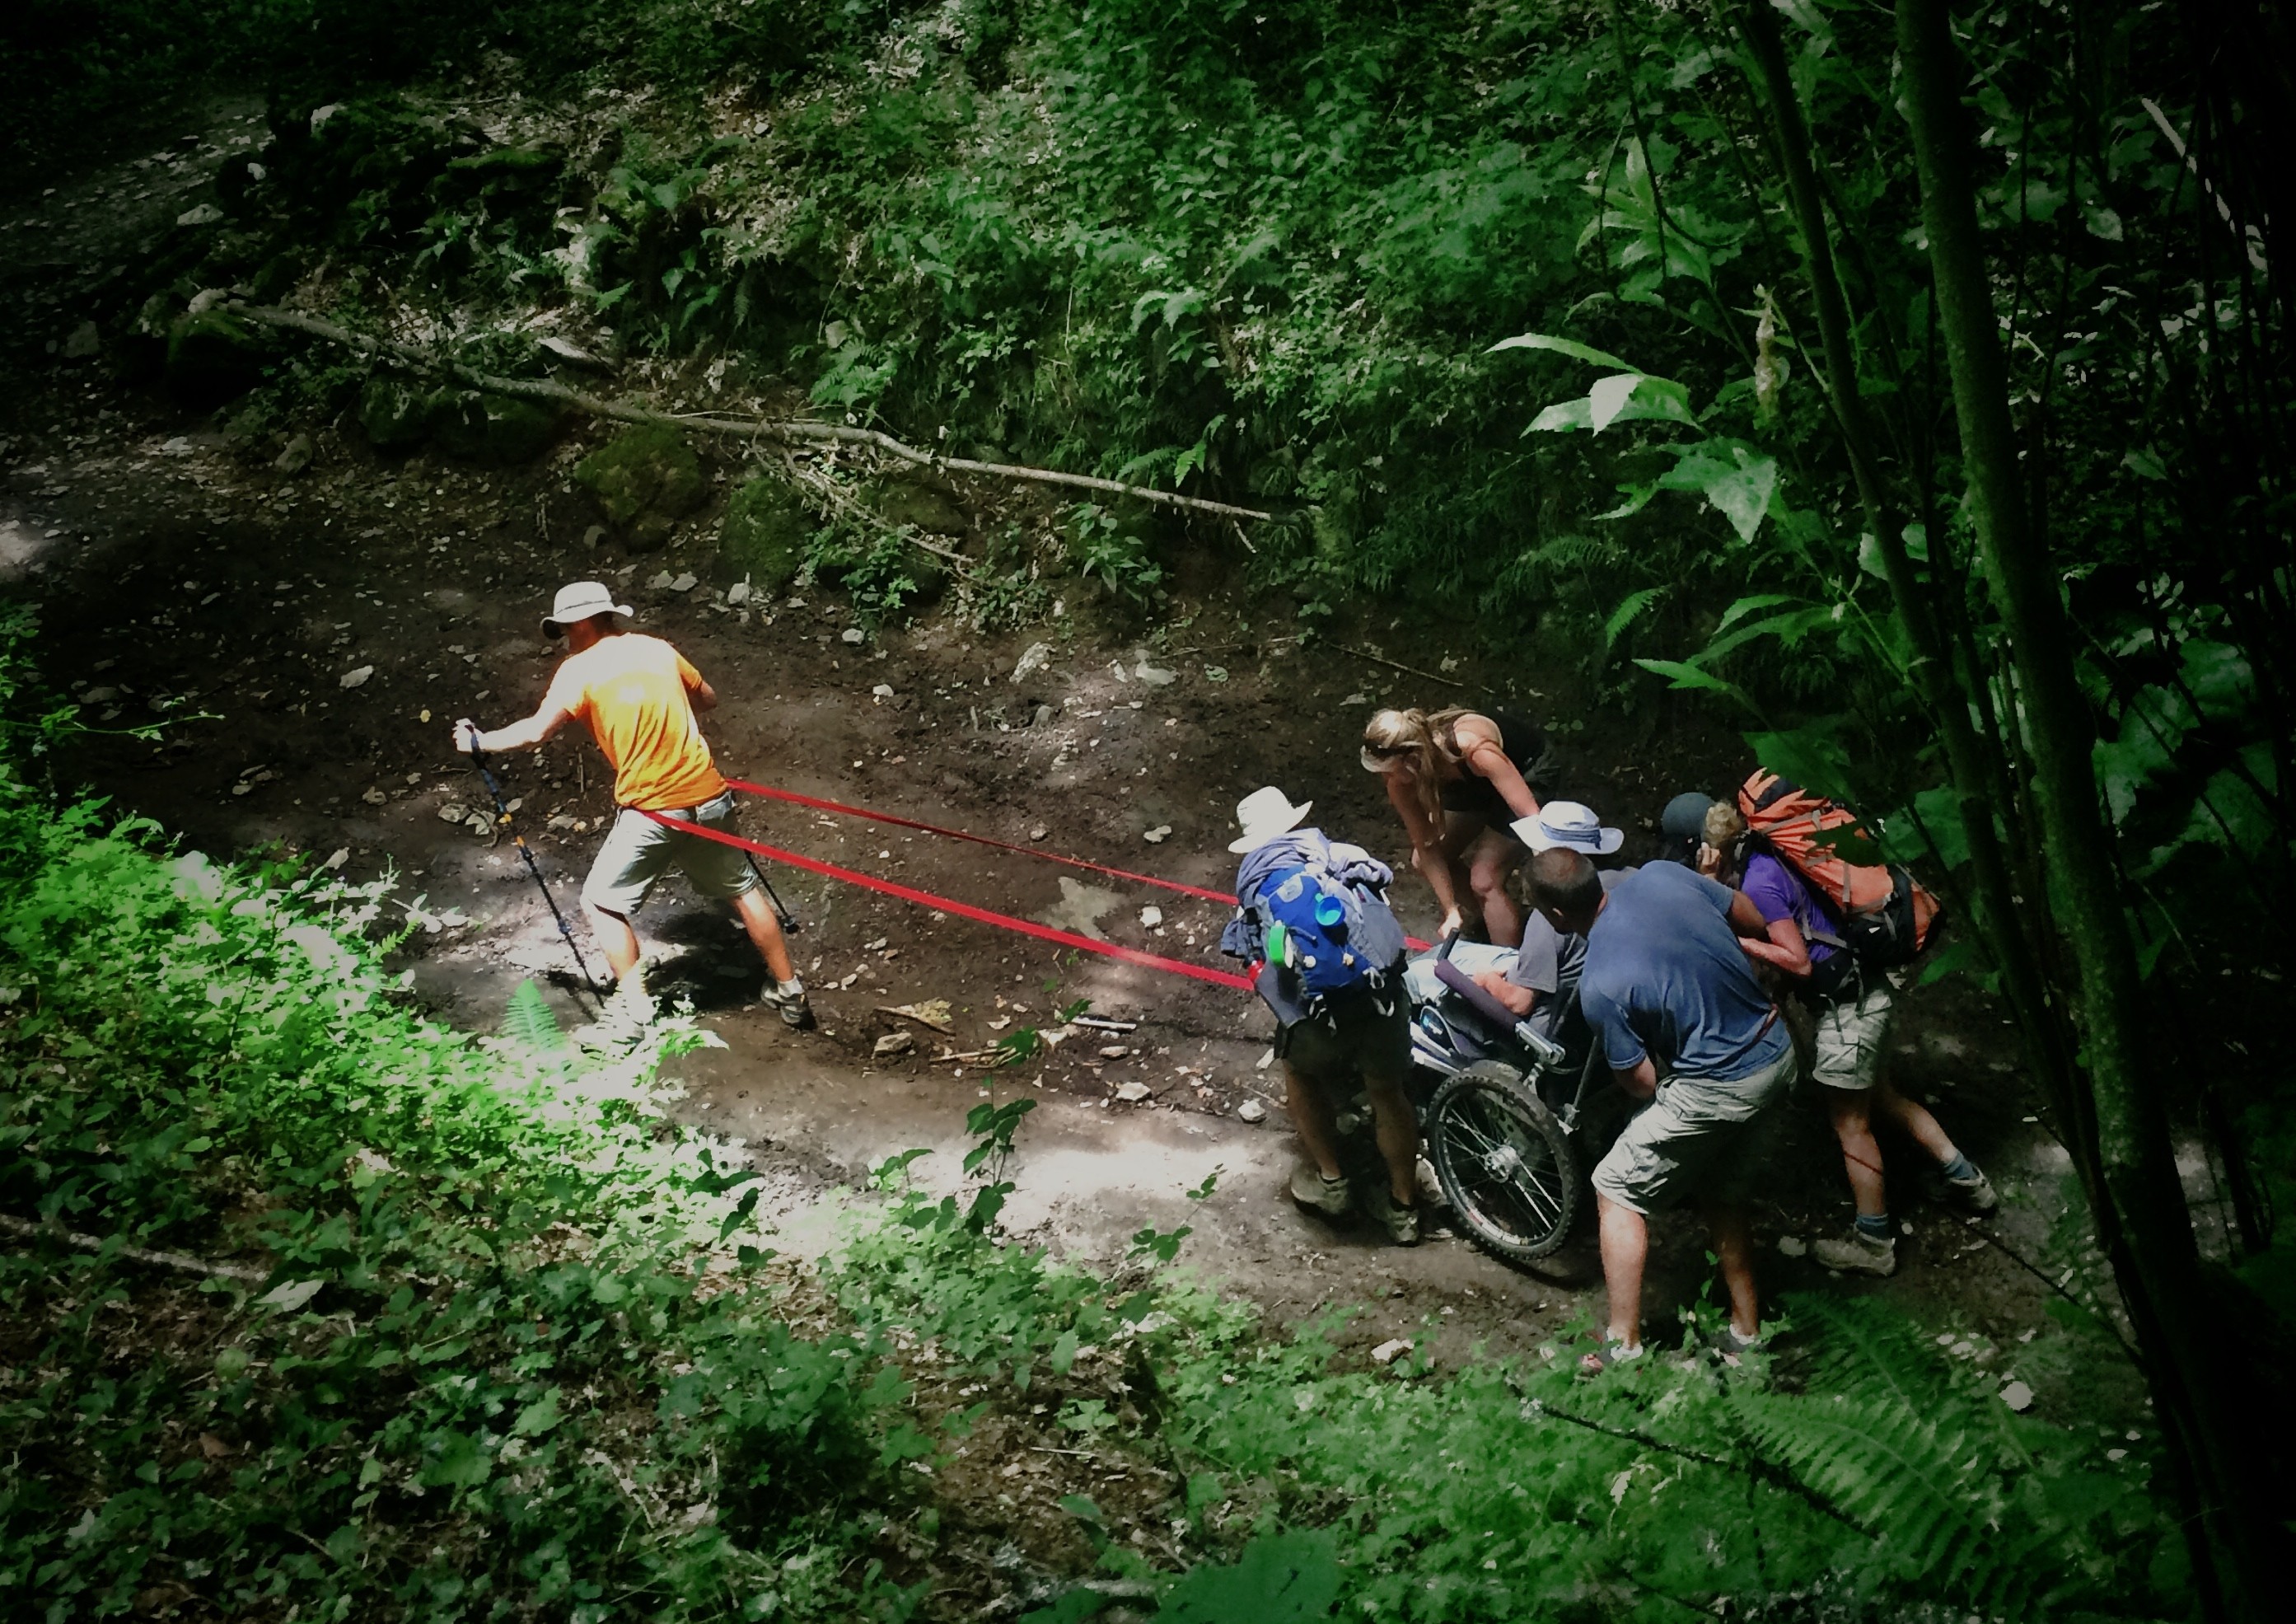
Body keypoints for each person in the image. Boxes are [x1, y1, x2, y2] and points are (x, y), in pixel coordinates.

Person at [451, 581, 811, 1045]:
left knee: (601, 902)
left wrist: (479, 742)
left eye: (563, 628)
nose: (563, 637)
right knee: (741, 887)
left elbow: (537, 733)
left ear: (580, 623)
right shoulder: (656, 648)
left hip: (655, 810)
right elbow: (708, 699)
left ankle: (634, 1014)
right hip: (710, 795)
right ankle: (790, 990)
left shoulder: (577, 669)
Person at [1690, 796, 1995, 1276]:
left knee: (1851, 1124)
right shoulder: (1771, 858)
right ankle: (1968, 1181)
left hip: (1848, 1013)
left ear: (1712, 848)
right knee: (1885, 1098)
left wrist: (1739, 942)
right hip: (1867, 992)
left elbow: (1799, 960)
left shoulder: (1759, 881)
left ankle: (1874, 1243)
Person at [1527, 847, 1797, 1368]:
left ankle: (1622, 1346)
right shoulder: (1664, 874)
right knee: (1723, 1190)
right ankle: (1747, 1332)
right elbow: (1752, 917)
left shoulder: (1600, 981)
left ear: (1556, 916)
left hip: (1721, 1086)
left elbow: (1643, 1082)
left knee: (1615, 1187)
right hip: (1778, 1051)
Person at [1219, 786, 1423, 1245]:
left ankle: (1332, 1184)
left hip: (1316, 1011)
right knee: (1389, 1092)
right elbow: (1383, 886)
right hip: (1380, 997)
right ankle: (1404, 1207)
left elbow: (1254, 951)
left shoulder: (1253, 883)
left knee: (1299, 1072)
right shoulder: (1339, 854)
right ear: (1294, 821)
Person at [1360, 705, 1550, 944]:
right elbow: (1427, 846)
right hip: (1470, 785)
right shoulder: (1401, 781)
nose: (1386, 778)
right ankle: (1497, 921)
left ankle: (1512, 964)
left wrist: (1547, 870)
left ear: (1411, 760)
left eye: (1389, 770)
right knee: (1423, 860)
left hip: (1525, 771)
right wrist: (1451, 910)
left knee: (1484, 879)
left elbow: (1531, 816)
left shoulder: (1472, 748)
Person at [1468, 802, 1633, 1047]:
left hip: (1554, 1037)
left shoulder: (1553, 916)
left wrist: (1485, 980)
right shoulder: (1635, 880)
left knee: (1434, 979)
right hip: (1619, 1020)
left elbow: (1519, 1002)